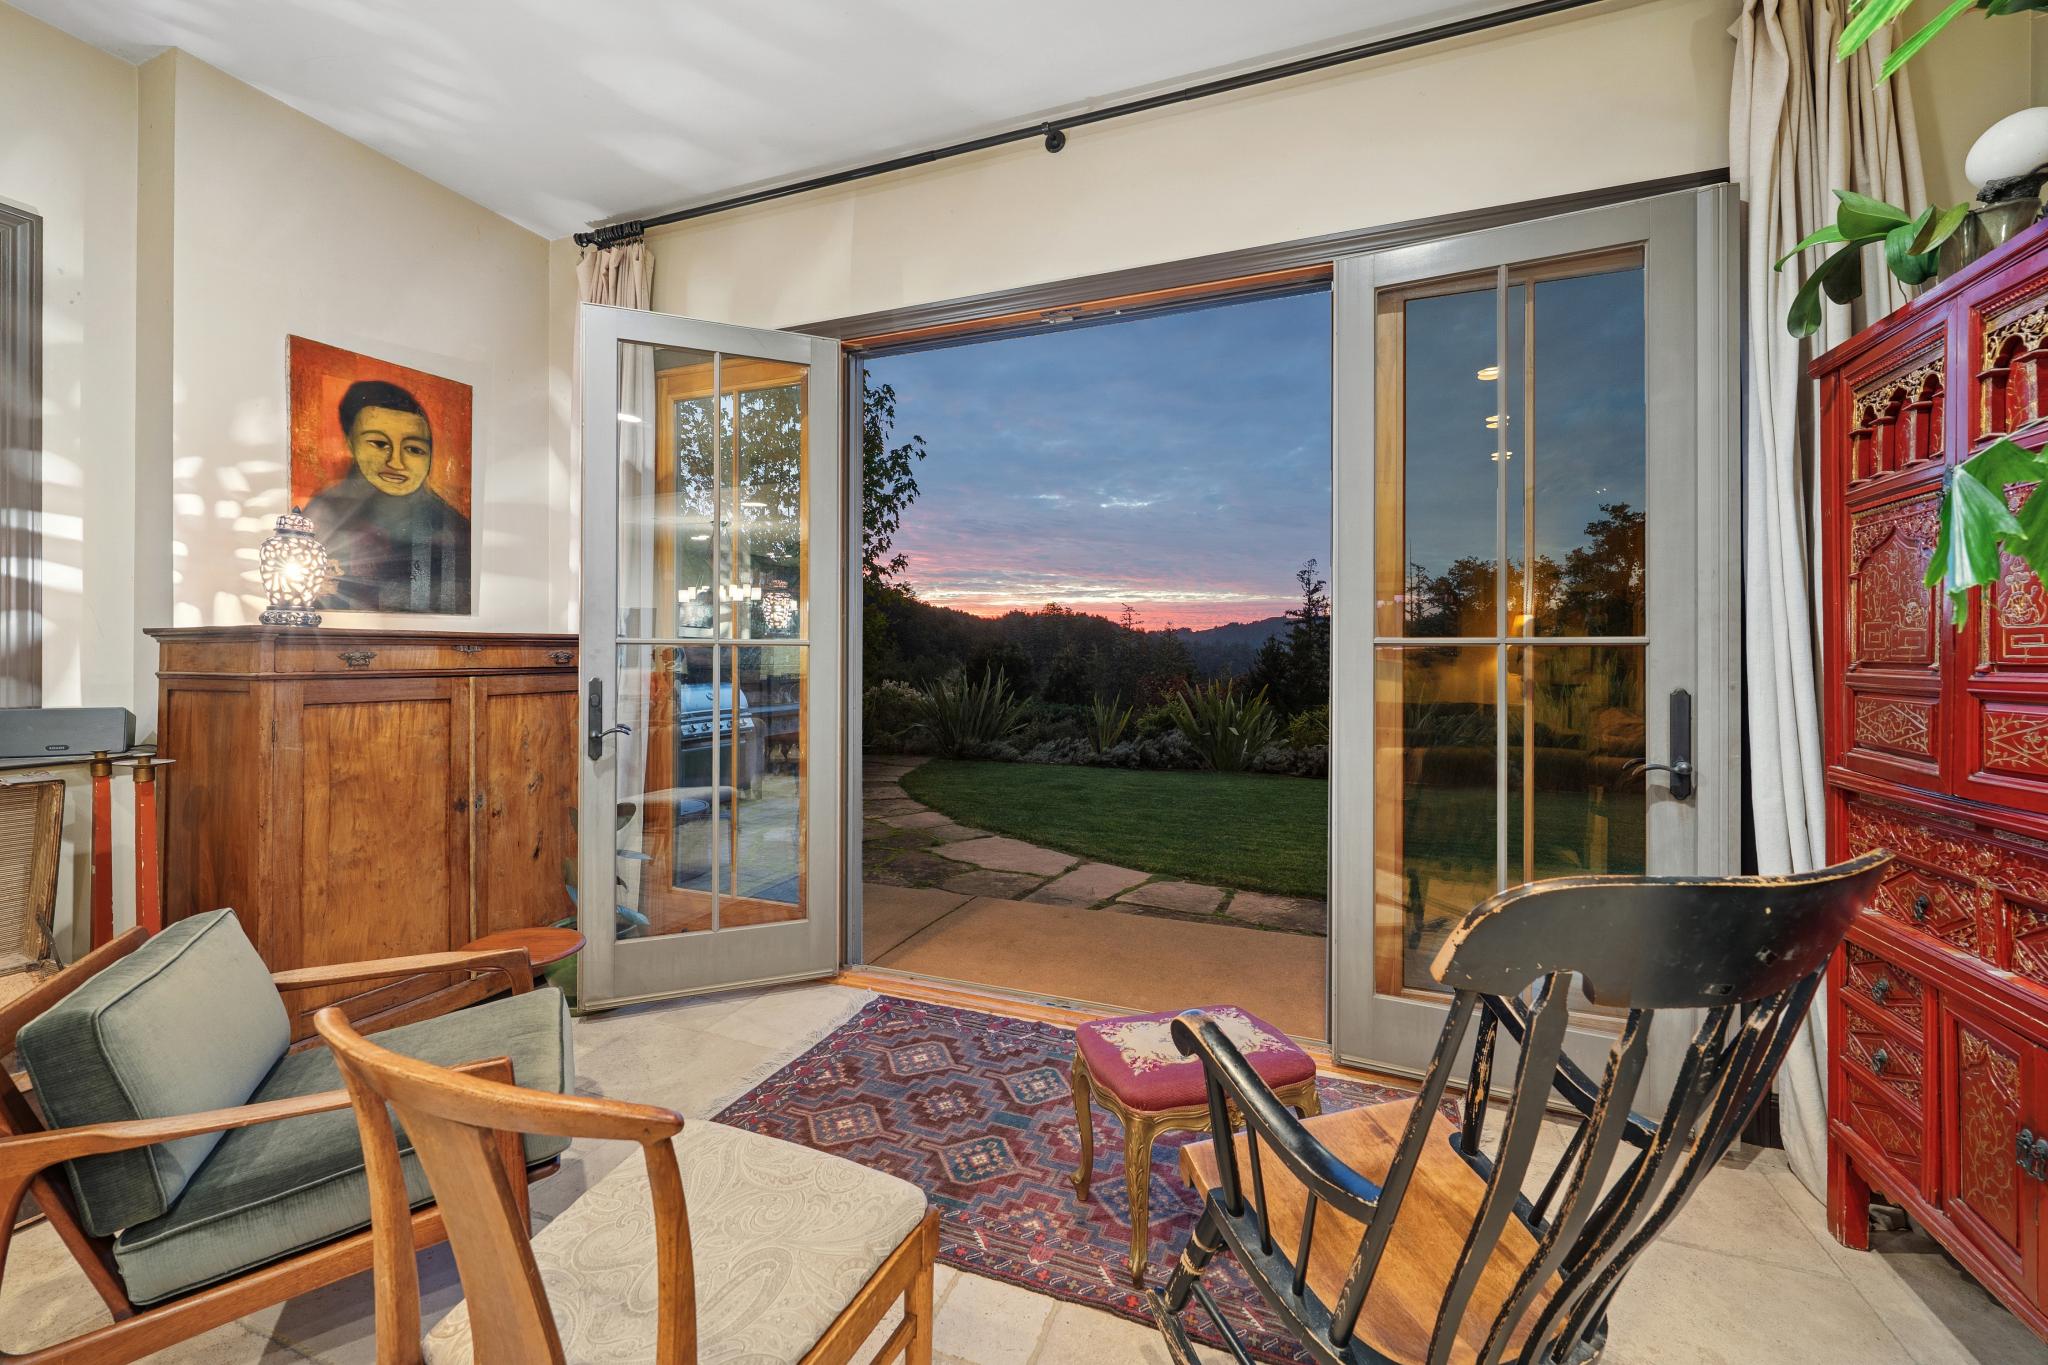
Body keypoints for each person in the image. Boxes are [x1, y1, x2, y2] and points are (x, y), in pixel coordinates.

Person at [305, 379, 471, 613]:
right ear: (351, 444)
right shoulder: (323, 514)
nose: (396, 462)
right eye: (379, 443)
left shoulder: (455, 531)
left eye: (413, 449)